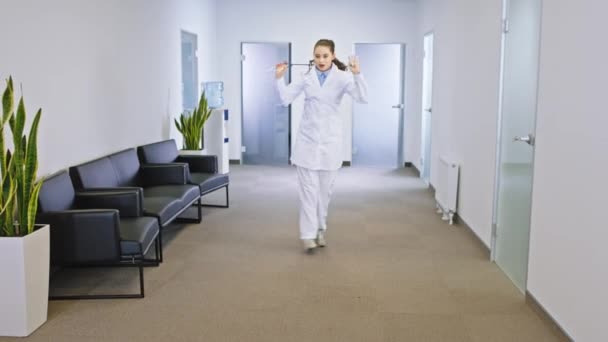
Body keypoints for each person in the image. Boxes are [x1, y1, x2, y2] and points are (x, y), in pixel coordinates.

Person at [275, 39, 368, 253]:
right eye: (317, 56)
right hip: (307, 143)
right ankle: (307, 235)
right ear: (313, 56)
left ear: (333, 55)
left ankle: (320, 229)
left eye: (325, 56)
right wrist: (279, 79)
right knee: (308, 192)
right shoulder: (305, 77)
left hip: (330, 143)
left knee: (324, 194)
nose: (321, 60)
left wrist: (357, 74)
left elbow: (363, 97)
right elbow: (285, 99)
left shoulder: (343, 78)